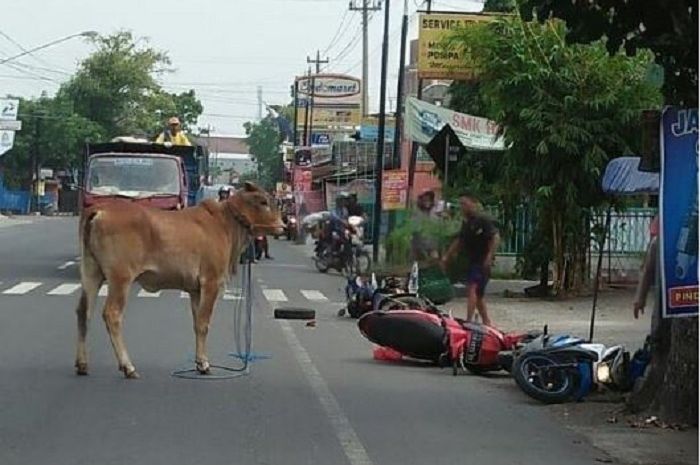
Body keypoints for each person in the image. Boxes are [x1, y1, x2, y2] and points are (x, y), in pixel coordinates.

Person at [441, 191, 500, 326]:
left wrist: (489, 256)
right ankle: (486, 322)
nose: (462, 207)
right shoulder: (467, 223)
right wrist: (447, 256)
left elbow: (495, 237)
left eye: (465, 204)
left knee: (472, 288)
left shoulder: (483, 220)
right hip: (473, 261)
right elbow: (460, 241)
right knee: (478, 294)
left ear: (473, 204)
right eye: (461, 204)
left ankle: (469, 320)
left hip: (482, 261)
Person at [410, 189, 440, 262]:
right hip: (418, 249)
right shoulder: (416, 213)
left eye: (429, 199)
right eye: (424, 199)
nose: (427, 201)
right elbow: (414, 229)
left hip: (432, 248)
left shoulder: (435, 213)